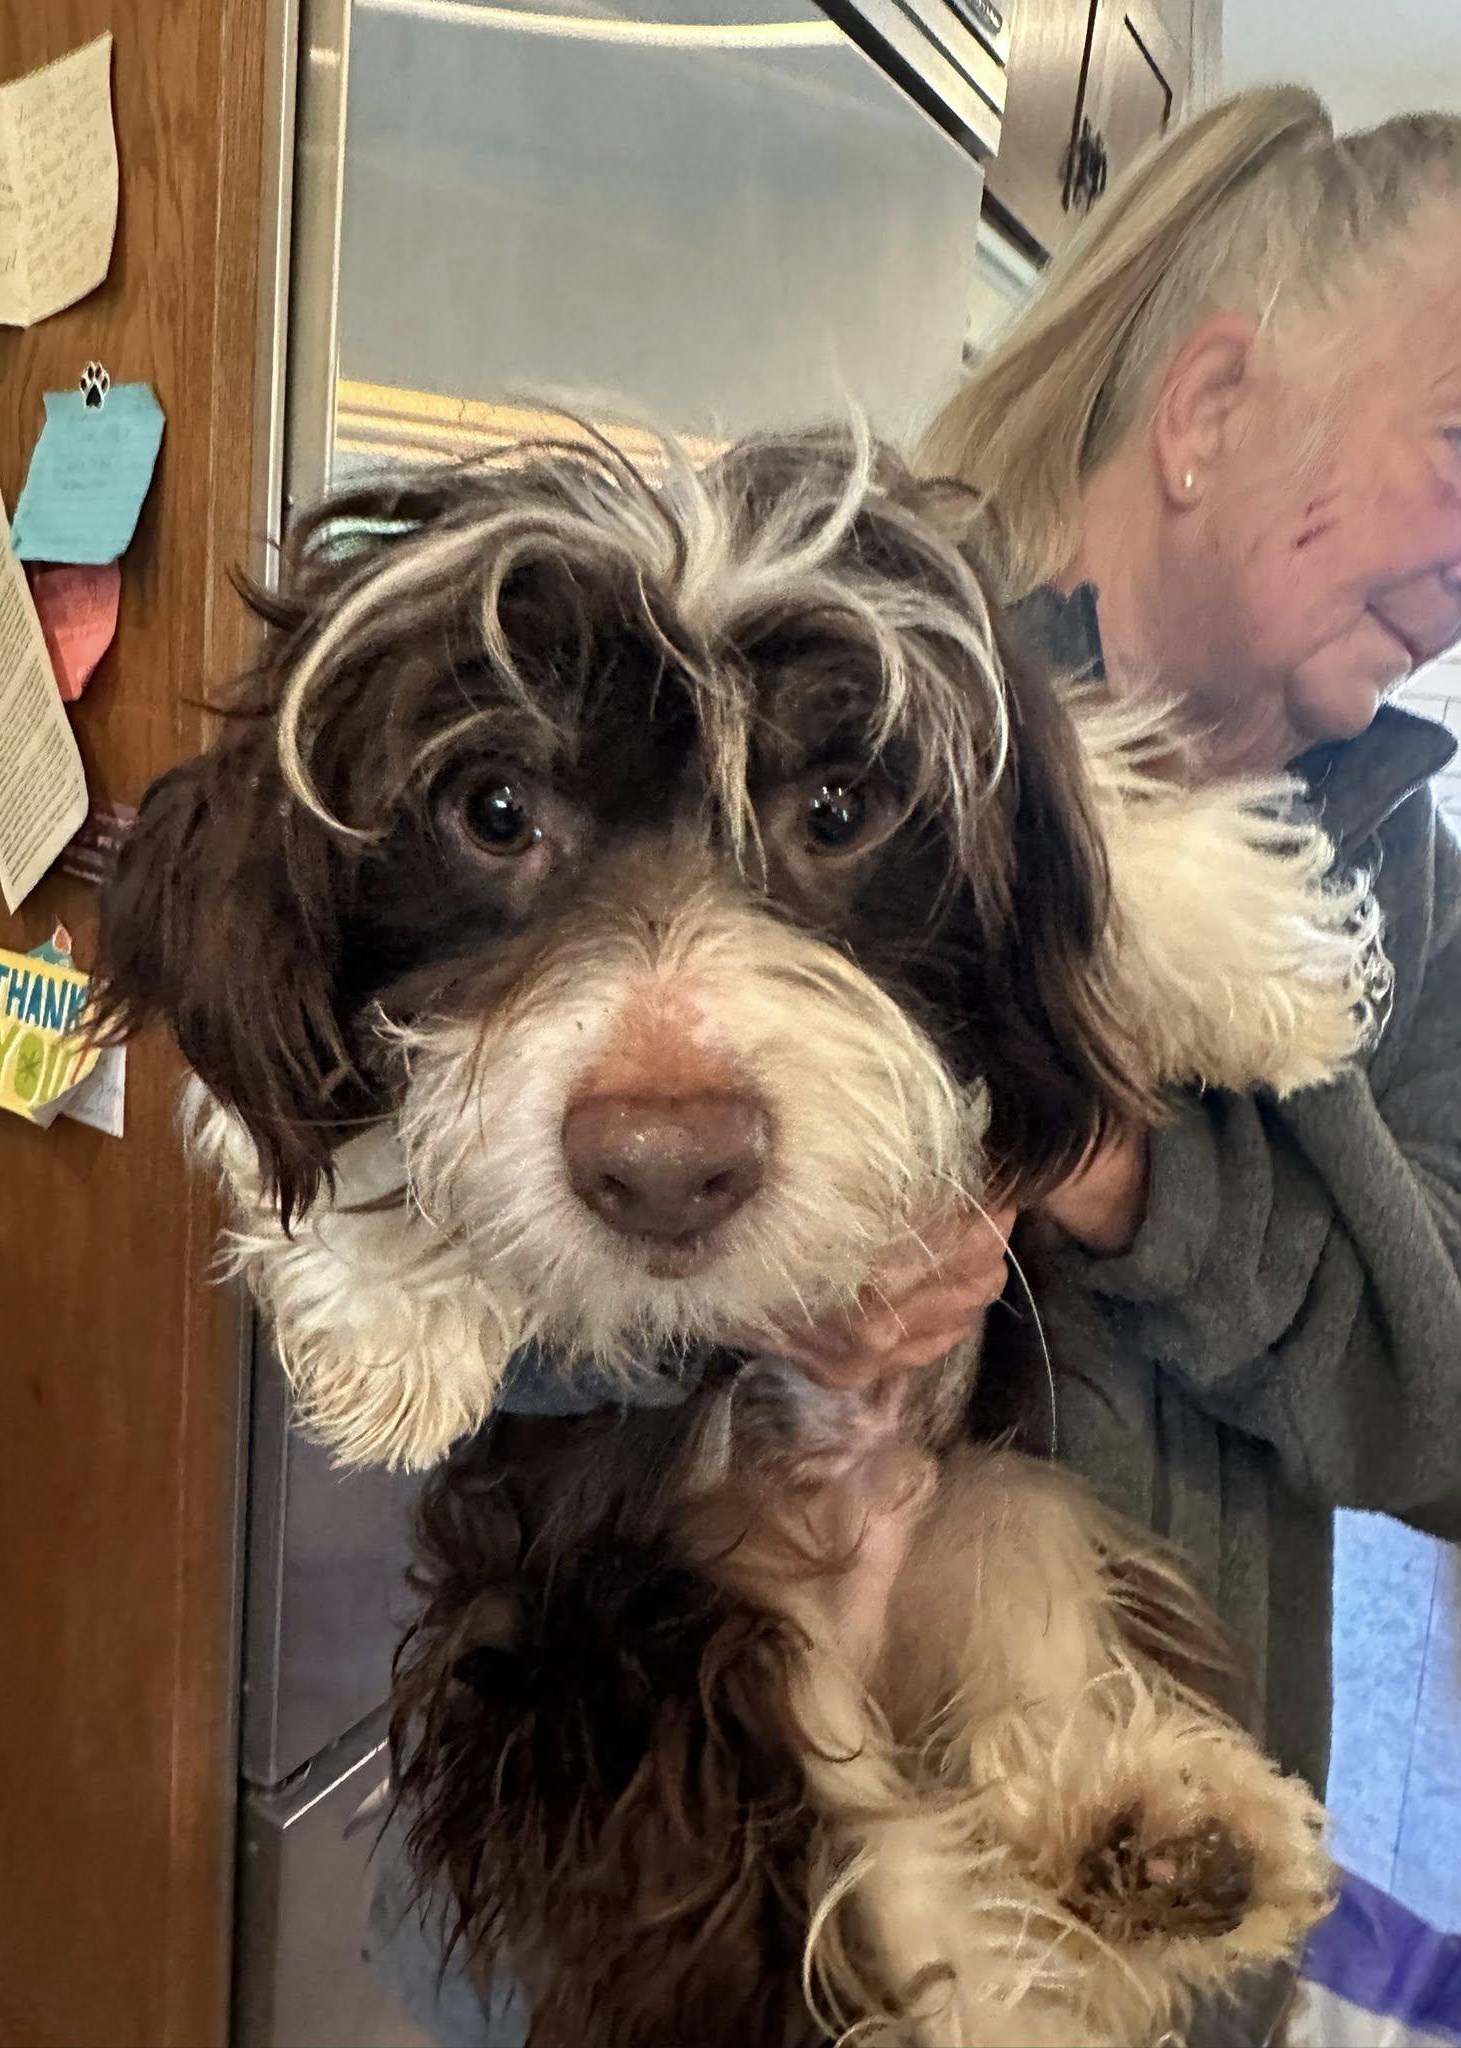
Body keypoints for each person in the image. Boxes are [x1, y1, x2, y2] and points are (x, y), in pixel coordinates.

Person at [377, 84, 1461, 2043]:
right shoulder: (818, 711)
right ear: (1211, 414)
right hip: (672, 1840)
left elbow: (1451, 1415)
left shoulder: (1418, 892)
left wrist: (1110, 1163)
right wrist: (760, 1274)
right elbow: (423, 1304)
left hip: (1139, 1929)